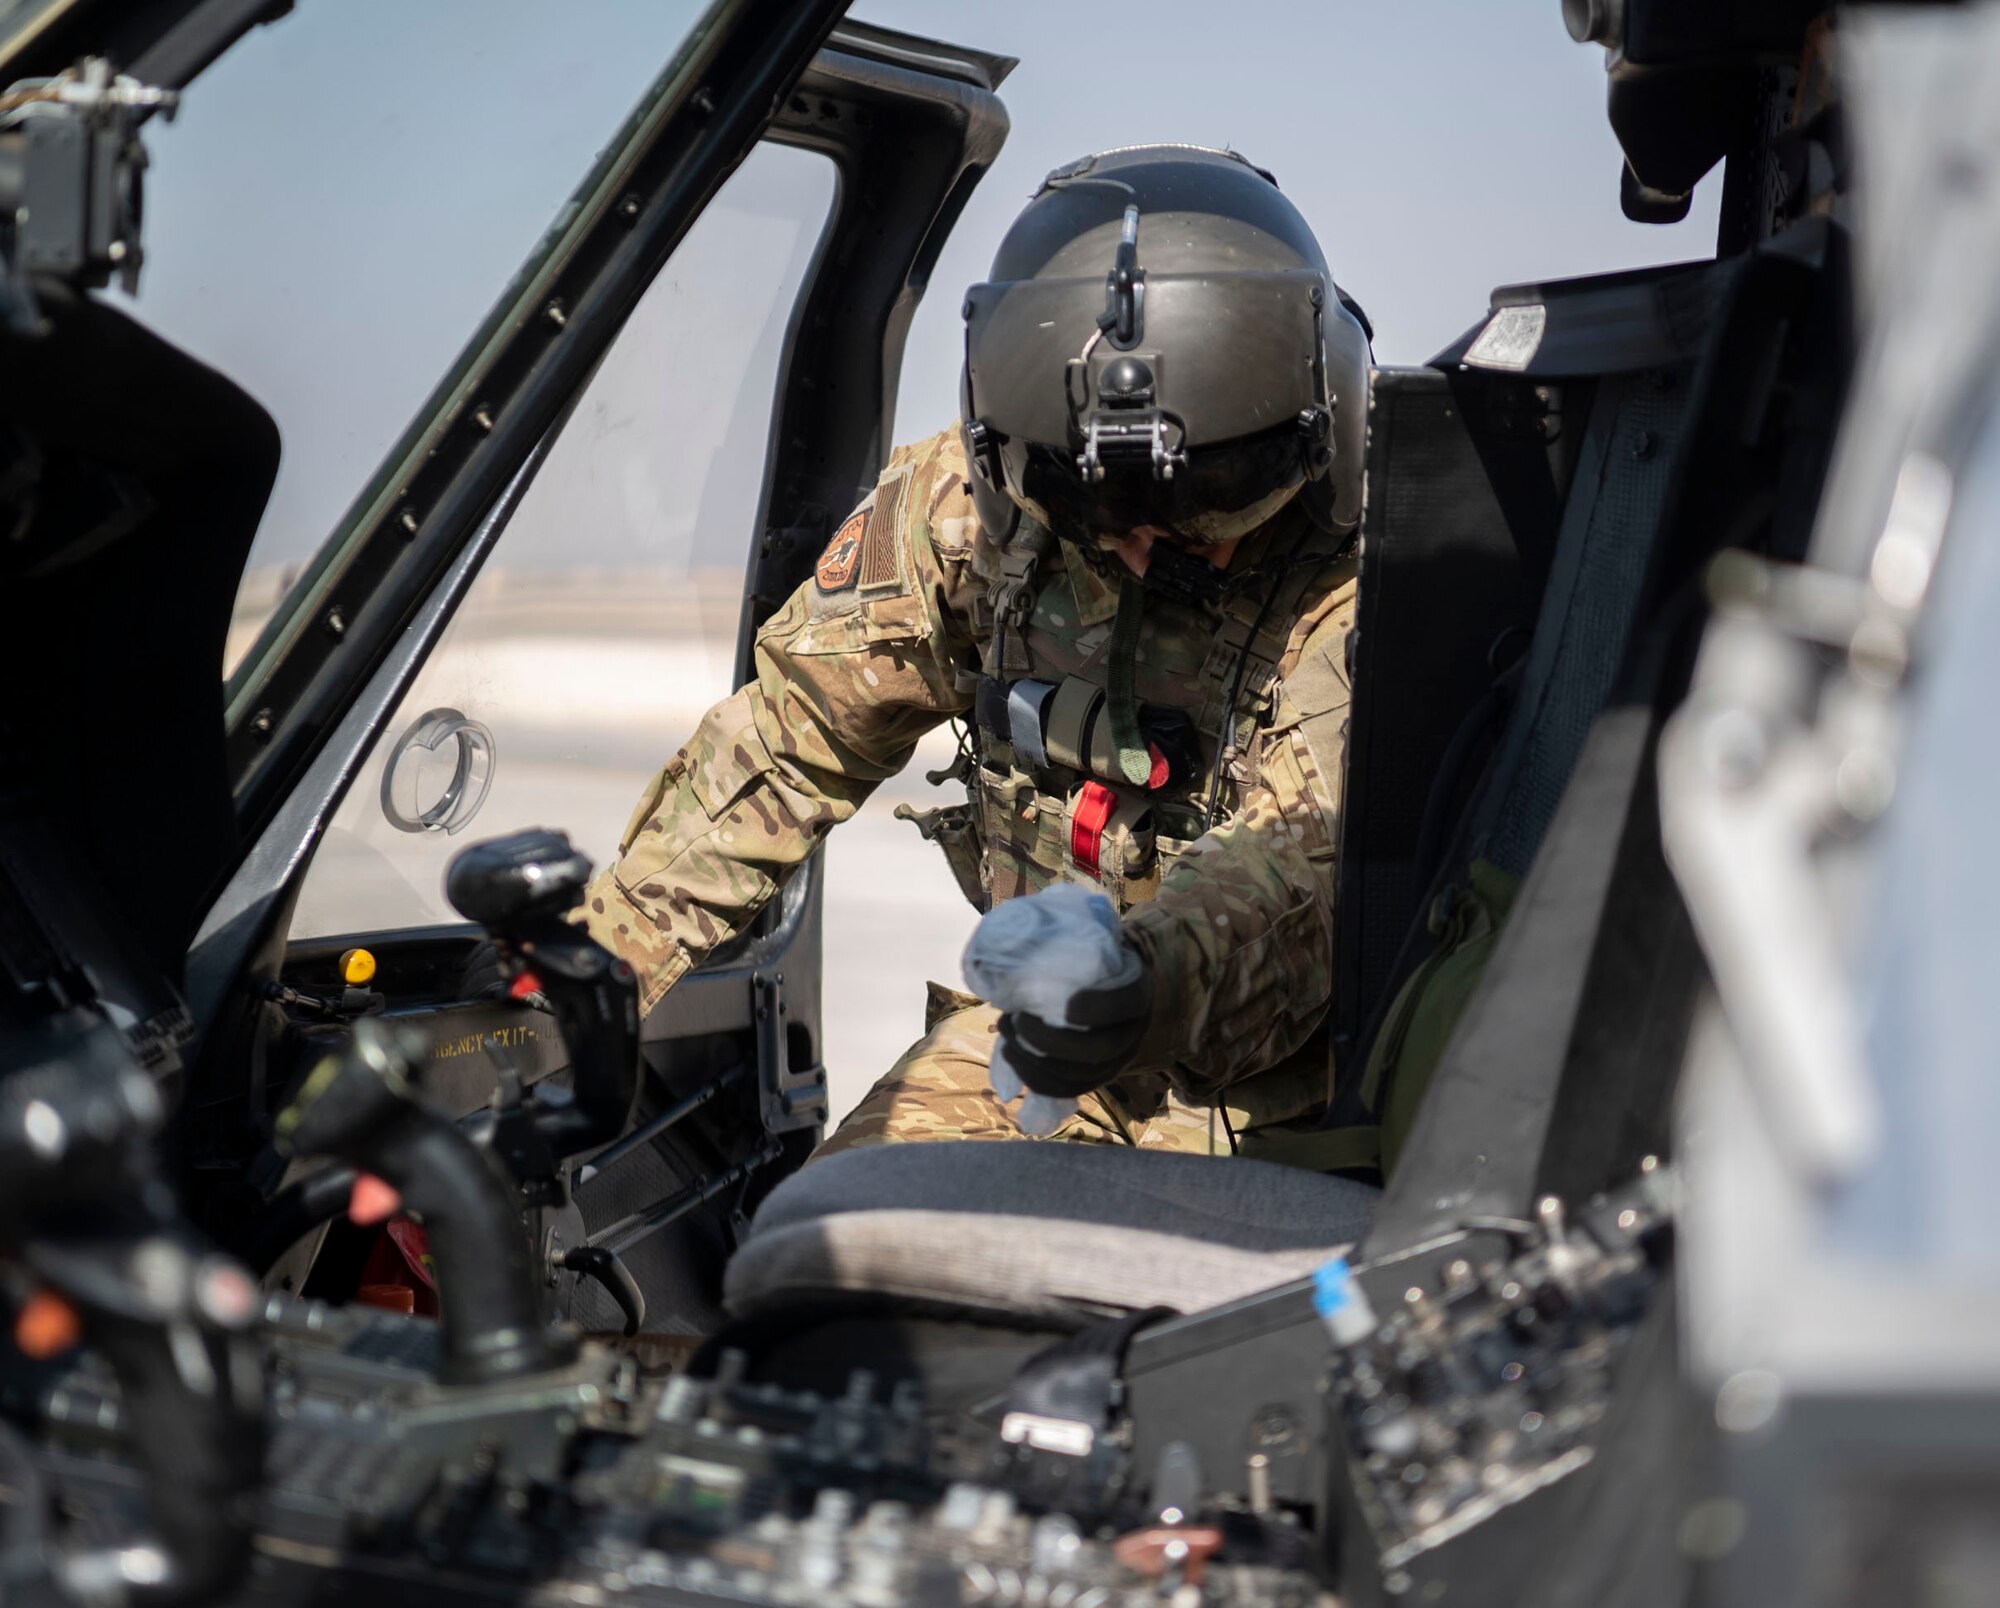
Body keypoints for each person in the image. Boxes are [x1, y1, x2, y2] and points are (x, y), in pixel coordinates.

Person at [580, 144, 1376, 1166]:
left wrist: (1136, 983)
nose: (1140, 547)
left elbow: (1293, 882)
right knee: (829, 1263)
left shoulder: (1366, 585)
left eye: (1194, 511)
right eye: (1100, 515)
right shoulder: (975, 512)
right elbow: (788, 741)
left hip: (1278, 1112)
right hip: (1033, 1057)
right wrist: (603, 963)